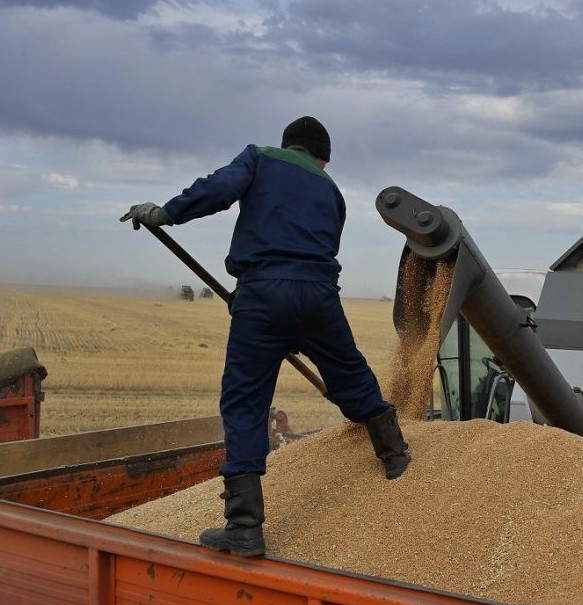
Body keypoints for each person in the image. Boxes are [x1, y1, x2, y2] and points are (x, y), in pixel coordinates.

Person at [119, 116, 410, 558]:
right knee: (348, 371)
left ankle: (244, 528)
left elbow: (218, 189)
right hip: (319, 294)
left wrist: (165, 213)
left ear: (287, 144)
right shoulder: (331, 191)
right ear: (322, 157)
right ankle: (395, 453)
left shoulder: (259, 157)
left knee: (245, 401)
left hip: (263, 294)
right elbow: (313, 249)